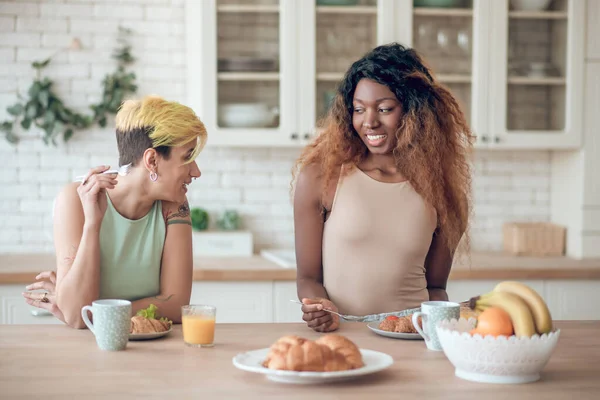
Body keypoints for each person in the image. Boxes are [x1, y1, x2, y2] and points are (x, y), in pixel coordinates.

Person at [292, 43, 474, 332]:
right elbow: (308, 278)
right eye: (359, 109)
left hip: (411, 336)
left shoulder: (444, 192)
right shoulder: (320, 177)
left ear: (415, 111)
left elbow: (436, 288)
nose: (369, 121)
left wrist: (442, 319)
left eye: (385, 108)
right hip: (341, 335)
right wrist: (320, 306)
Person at [22, 95, 207, 329]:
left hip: (154, 349)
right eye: (188, 157)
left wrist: (93, 309)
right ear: (152, 160)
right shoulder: (76, 200)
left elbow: (178, 305)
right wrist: (92, 223)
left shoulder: (174, 205)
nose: (196, 171)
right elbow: (79, 318)